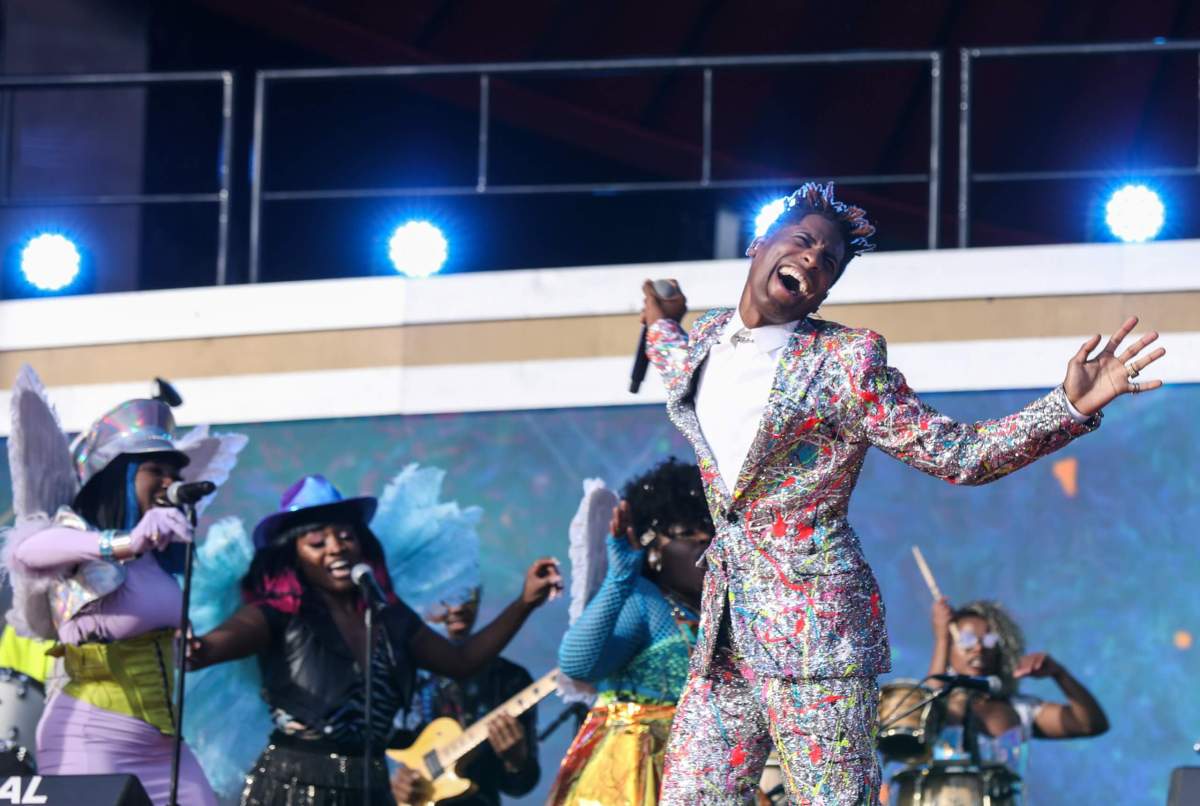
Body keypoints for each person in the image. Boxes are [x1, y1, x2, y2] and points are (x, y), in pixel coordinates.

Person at [638, 182, 1165, 804]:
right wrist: (661, 324)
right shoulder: (708, 339)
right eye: (803, 241)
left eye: (827, 260)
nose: (812, 259)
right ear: (761, 243)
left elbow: (959, 455)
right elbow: (678, 366)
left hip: (816, 634)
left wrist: (1069, 406)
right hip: (725, 635)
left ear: (825, 290)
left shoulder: (844, 361)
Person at [186, 472, 561, 806]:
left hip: (371, 785)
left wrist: (525, 603)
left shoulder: (388, 616)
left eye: (345, 536)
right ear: (293, 557)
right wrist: (194, 649)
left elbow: (460, 663)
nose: (335, 547)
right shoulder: (277, 615)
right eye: (317, 542)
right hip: (295, 785)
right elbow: (211, 647)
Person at [0, 365, 245, 805]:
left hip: (162, 743)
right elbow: (25, 552)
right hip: (91, 739)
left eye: (175, 473)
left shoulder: (155, 556)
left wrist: (180, 638)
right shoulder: (80, 539)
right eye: (156, 470)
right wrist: (125, 542)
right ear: (119, 477)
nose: (169, 482)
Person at [547, 459, 714, 806]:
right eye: (688, 534)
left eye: (711, 532)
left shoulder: (720, 610)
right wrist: (620, 576)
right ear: (654, 550)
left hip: (705, 775)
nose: (705, 544)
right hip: (631, 780)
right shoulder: (641, 599)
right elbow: (577, 664)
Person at [925, 597, 1107, 778]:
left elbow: (1090, 724)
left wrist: (1060, 674)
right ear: (949, 648)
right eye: (966, 639)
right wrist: (941, 639)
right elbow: (924, 711)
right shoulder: (936, 706)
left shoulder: (1020, 709)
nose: (978, 648)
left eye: (989, 640)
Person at [408, 588, 541, 806]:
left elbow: (521, 785)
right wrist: (395, 784)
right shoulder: (406, 678)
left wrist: (516, 761)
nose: (458, 608)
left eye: (466, 595)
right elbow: (358, 757)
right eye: (446, 595)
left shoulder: (510, 679)